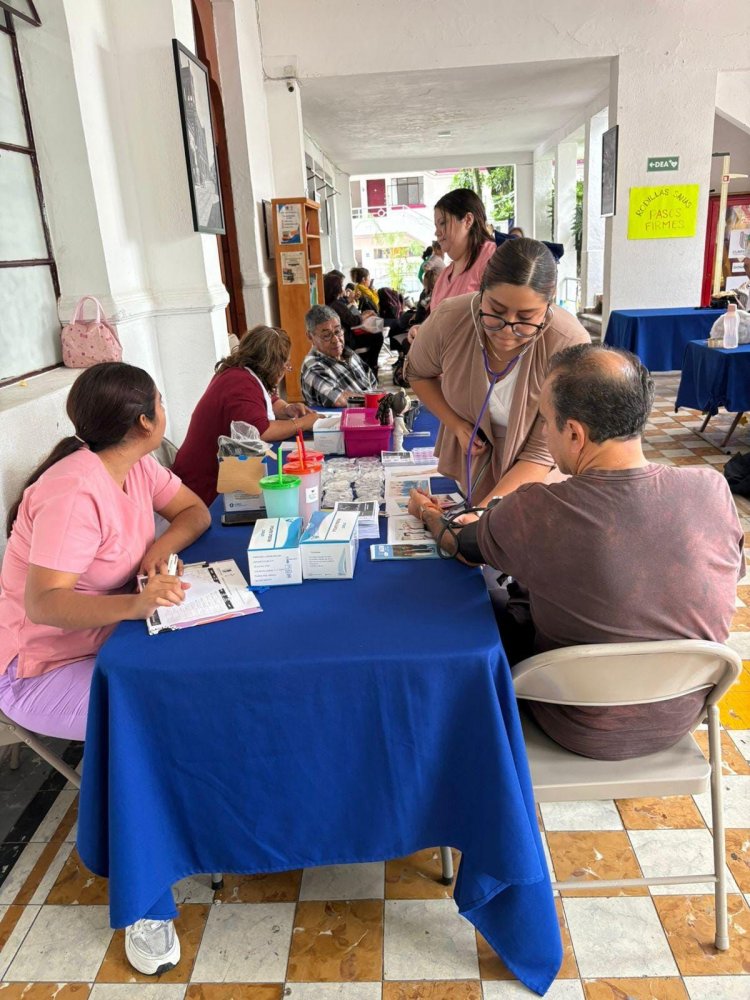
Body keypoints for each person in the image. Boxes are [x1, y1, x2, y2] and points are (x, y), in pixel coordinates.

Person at [409, 343, 744, 761]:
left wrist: (426, 512)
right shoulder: (711, 489)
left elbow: (457, 545)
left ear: (574, 433)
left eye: (545, 422)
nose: (544, 435)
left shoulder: (539, 510)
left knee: (475, 600)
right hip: (682, 713)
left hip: (574, 721)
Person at [0, 361, 211, 974]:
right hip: (38, 666)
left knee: (198, 682)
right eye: (162, 402)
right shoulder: (72, 492)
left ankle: (192, 821)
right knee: (140, 728)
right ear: (146, 421)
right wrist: (137, 601)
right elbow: (43, 603)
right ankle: (145, 901)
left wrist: (154, 553)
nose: (165, 410)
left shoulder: (135, 466)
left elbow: (193, 512)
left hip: (111, 639)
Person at [406, 237, 589, 504]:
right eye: (496, 310)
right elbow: (417, 373)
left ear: (549, 307)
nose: (507, 329)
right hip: (473, 469)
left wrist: (476, 519)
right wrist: (456, 423)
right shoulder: (450, 319)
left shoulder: (568, 343)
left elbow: (539, 455)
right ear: (481, 293)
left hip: (536, 477)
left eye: (526, 318)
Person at [172, 326, 318, 506]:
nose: (285, 371)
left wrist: (287, 408)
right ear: (272, 366)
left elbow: (266, 398)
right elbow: (262, 431)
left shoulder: (239, 372)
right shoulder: (239, 382)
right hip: (204, 486)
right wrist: (302, 423)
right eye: (285, 365)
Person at [408, 190, 497, 345]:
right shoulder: (445, 275)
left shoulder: (492, 258)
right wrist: (422, 330)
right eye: (436, 225)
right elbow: (439, 323)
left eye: (442, 223)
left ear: (468, 220)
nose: (437, 232)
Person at [300, 304, 377, 407]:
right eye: (326, 335)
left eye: (337, 331)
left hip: (370, 412)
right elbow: (338, 399)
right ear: (310, 337)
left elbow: (372, 382)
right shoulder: (313, 367)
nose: (336, 340)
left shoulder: (348, 353)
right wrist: (377, 399)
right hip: (345, 420)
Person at [324, 271, 383, 377]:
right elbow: (353, 321)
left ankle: (369, 365)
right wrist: (365, 315)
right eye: (341, 285)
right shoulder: (336, 304)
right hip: (348, 339)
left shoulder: (329, 303)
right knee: (378, 336)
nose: (343, 288)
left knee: (374, 332)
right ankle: (372, 366)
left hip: (343, 336)